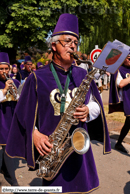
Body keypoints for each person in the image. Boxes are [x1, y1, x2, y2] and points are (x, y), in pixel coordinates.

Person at [6, 13, 111, 193]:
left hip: (79, 150)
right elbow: (22, 113)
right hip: (52, 152)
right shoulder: (36, 78)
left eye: (75, 43)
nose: (73, 46)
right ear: (54, 45)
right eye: (68, 41)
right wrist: (34, 134)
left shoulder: (83, 74)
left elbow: (96, 104)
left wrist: (88, 110)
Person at [0, 52, 20, 186]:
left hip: (10, 120)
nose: (4, 71)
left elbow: (21, 102)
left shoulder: (16, 82)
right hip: (0, 119)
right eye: (1, 69)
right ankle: (12, 180)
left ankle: (7, 173)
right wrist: (5, 89)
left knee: (7, 148)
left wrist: (15, 92)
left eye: (6, 69)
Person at [109, 53, 130, 153]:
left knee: (128, 123)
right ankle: (119, 143)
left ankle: (118, 143)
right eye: (129, 58)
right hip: (127, 99)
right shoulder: (118, 69)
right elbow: (121, 84)